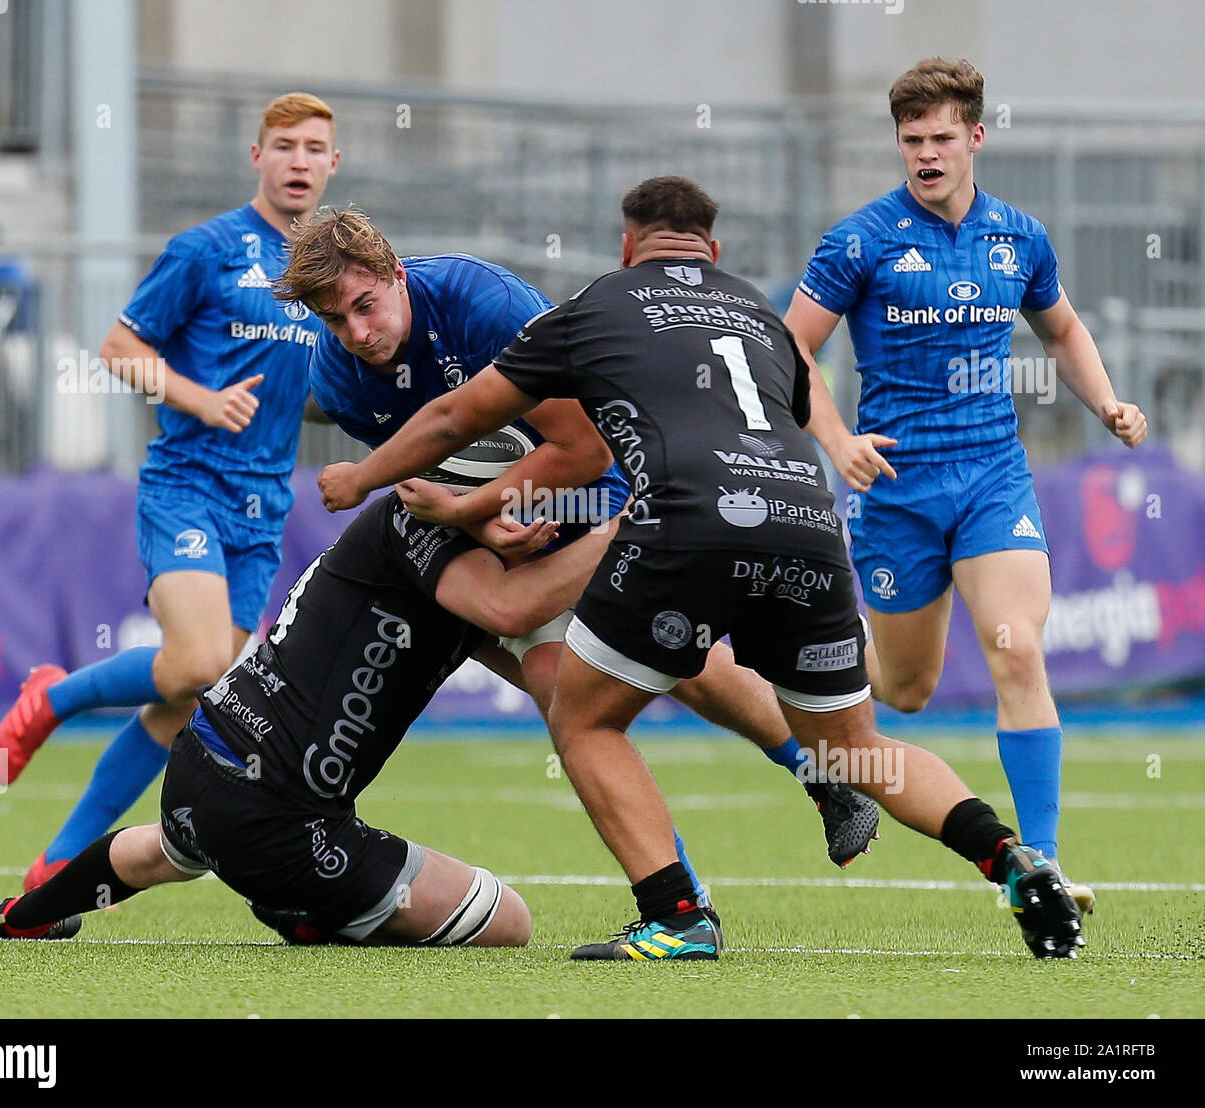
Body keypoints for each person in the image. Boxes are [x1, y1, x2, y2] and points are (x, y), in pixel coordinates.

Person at [314, 175, 1086, 962]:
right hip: (810, 524)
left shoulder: (593, 305)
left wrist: (370, 481)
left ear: (626, 247)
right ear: (713, 253)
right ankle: (1012, 857)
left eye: (361, 308)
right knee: (857, 748)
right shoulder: (760, 312)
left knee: (582, 716)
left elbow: (458, 417)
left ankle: (678, 914)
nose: (352, 329)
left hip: (683, 522)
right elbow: (799, 402)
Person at [277, 206, 881, 876]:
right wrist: (480, 523)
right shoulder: (336, 376)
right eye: (335, 320)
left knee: (682, 663)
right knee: (564, 692)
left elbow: (586, 449)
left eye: (366, 306)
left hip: (604, 485)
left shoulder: (482, 304)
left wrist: (483, 505)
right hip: (496, 516)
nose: (357, 333)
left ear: (396, 276)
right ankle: (678, 891)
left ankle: (818, 778)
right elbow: (428, 471)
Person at [783, 58, 1148, 915]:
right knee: (905, 690)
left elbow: (1061, 329)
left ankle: (1039, 869)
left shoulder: (1019, 234)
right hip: (894, 492)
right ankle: (803, 684)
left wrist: (1106, 401)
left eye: (943, 137)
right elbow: (790, 346)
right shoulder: (859, 240)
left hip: (991, 477)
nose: (927, 154)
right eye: (912, 140)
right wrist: (836, 439)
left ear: (976, 136)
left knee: (1018, 648)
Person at [0, 492, 595, 948]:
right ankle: (304, 913)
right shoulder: (443, 549)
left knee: (169, 847)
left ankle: (22, 915)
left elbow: (550, 674)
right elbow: (513, 610)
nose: (537, 520)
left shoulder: (425, 550)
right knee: (511, 922)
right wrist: (626, 528)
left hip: (200, 764)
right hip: (284, 830)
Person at [0, 93, 341, 891]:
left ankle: (57, 862)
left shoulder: (322, 277)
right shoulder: (208, 248)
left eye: (314, 148)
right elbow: (118, 347)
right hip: (186, 486)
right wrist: (197, 398)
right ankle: (54, 698)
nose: (298, 160)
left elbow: (309, 390)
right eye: (283, 145)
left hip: (262, 507)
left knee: (192, 692)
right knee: (199, 660)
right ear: (257, 157)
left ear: (333, 165)